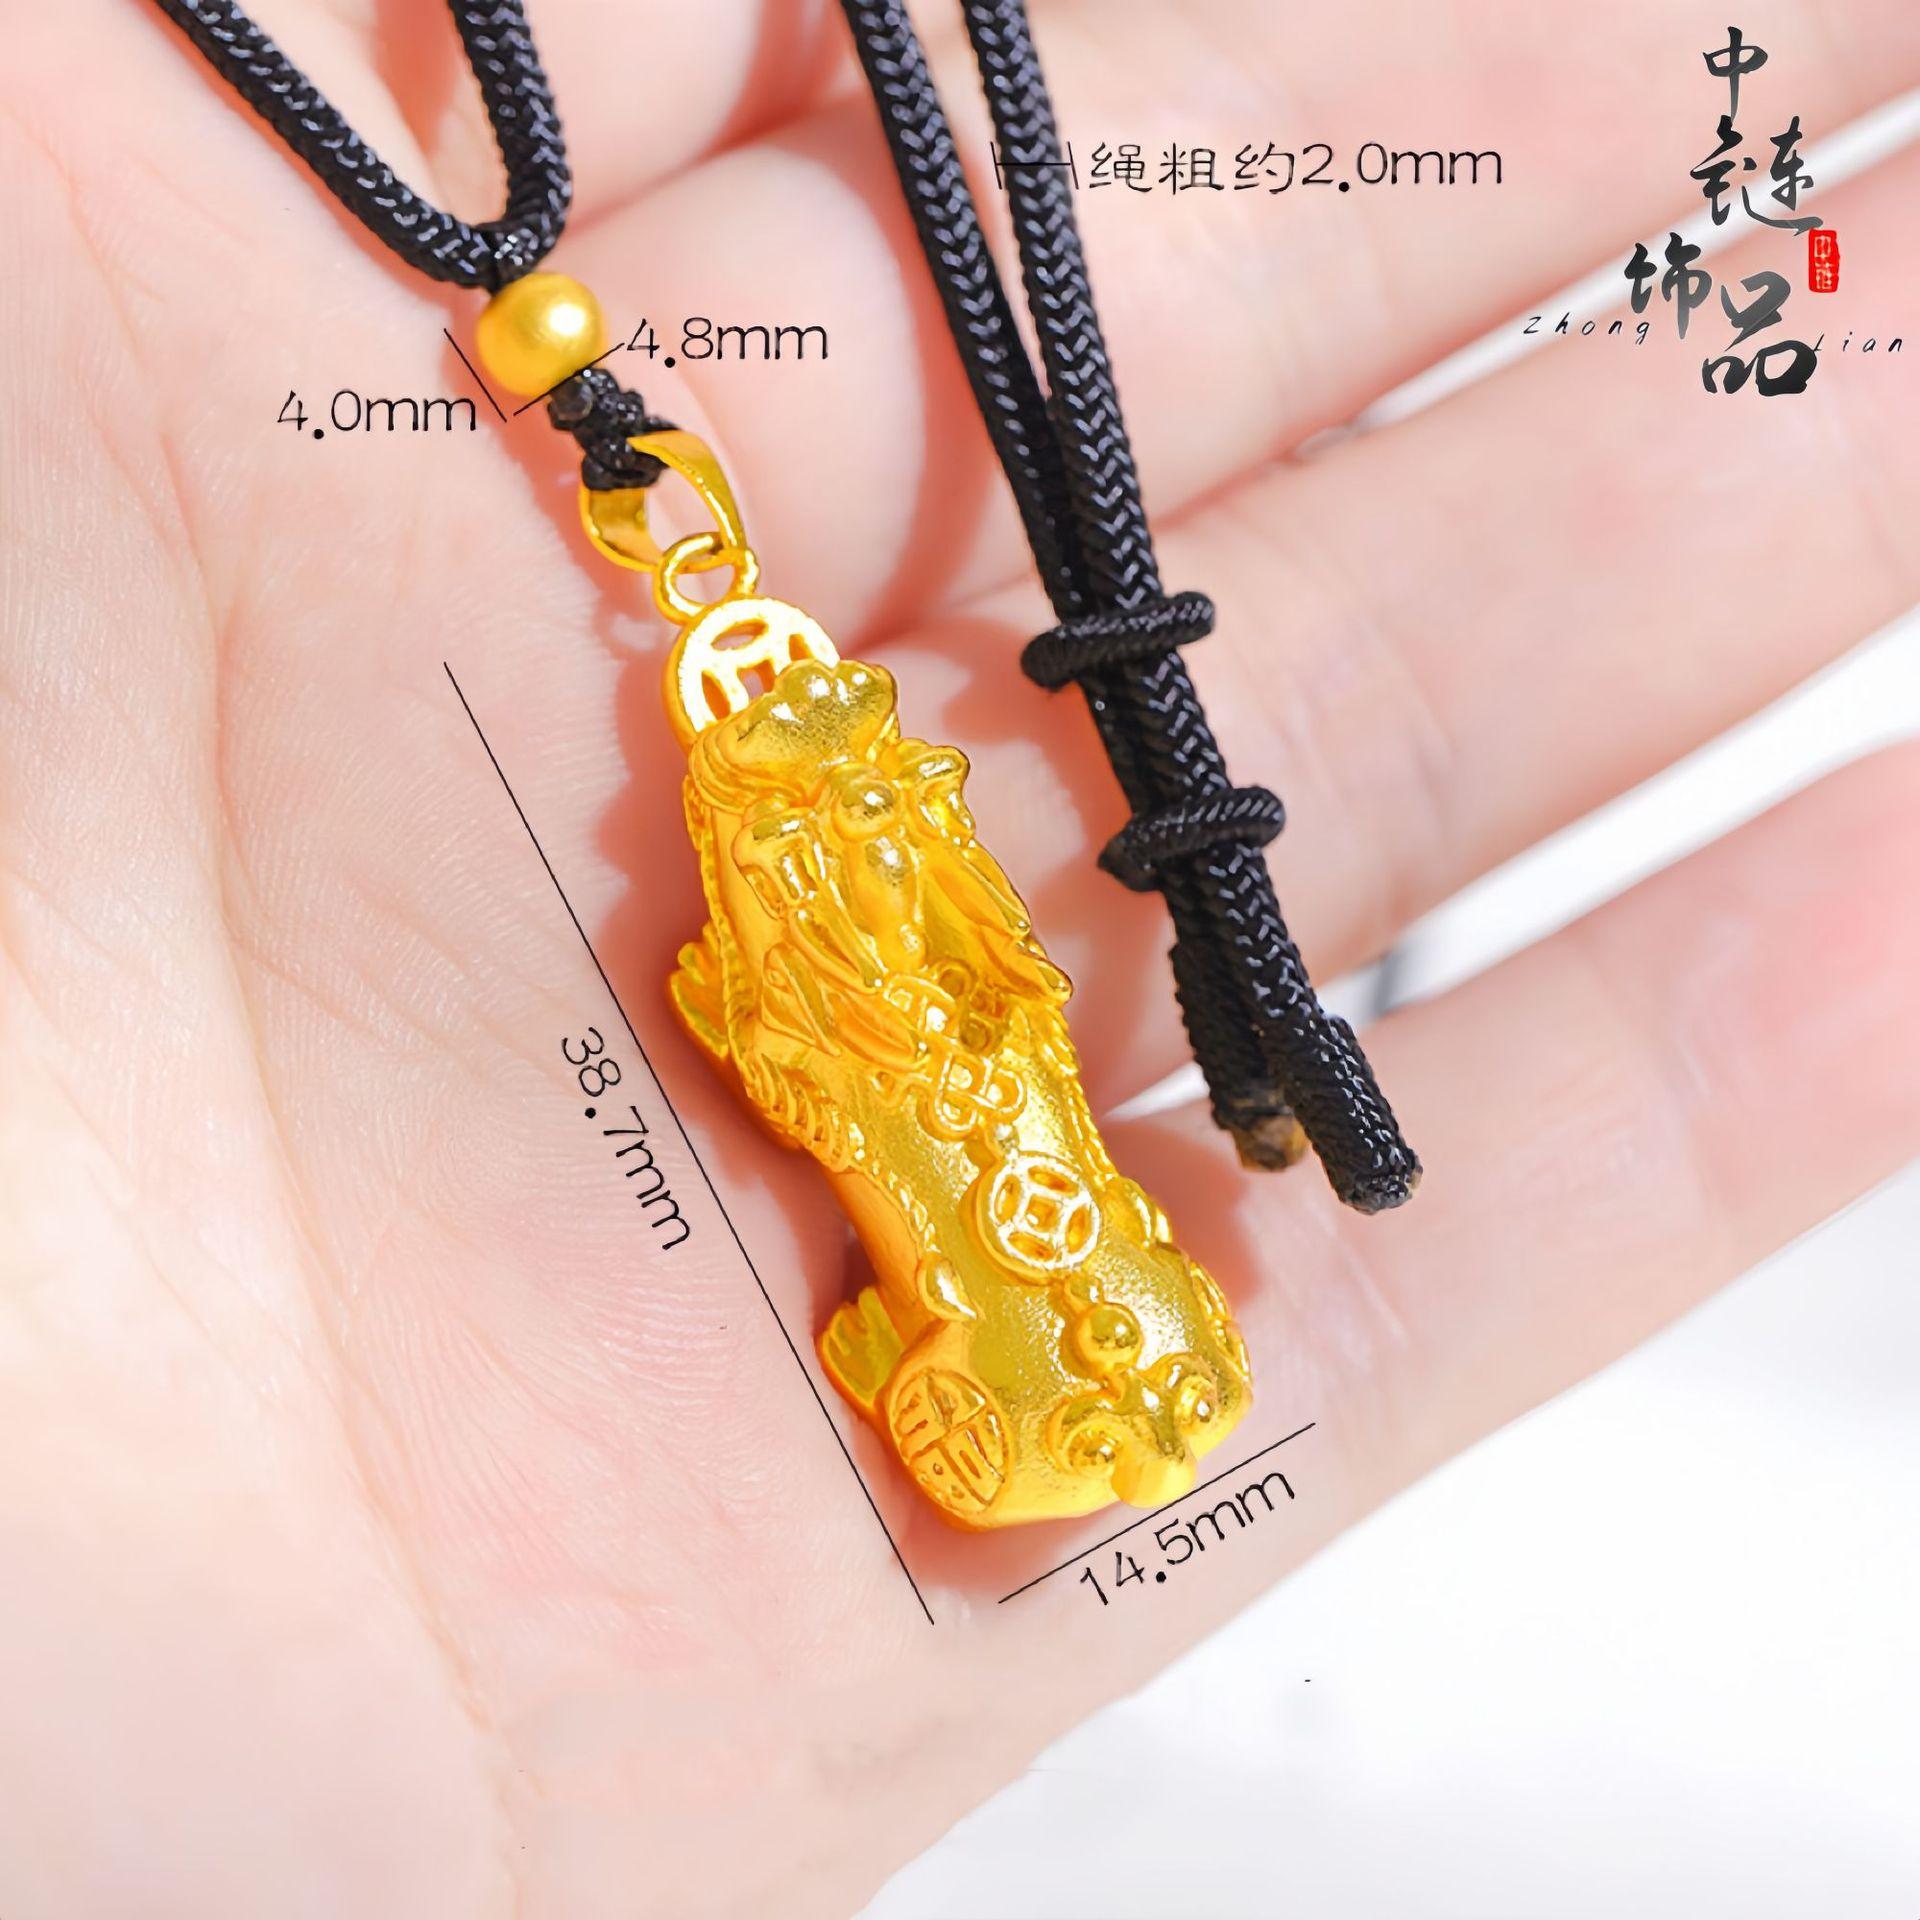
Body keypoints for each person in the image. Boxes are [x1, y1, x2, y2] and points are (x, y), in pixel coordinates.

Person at [2, 1, 1916, 1914]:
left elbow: (945, 985)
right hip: (921, 1127)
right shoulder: (796, 918)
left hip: (962, 1097)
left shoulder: (866, 876)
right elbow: (775, 1030)